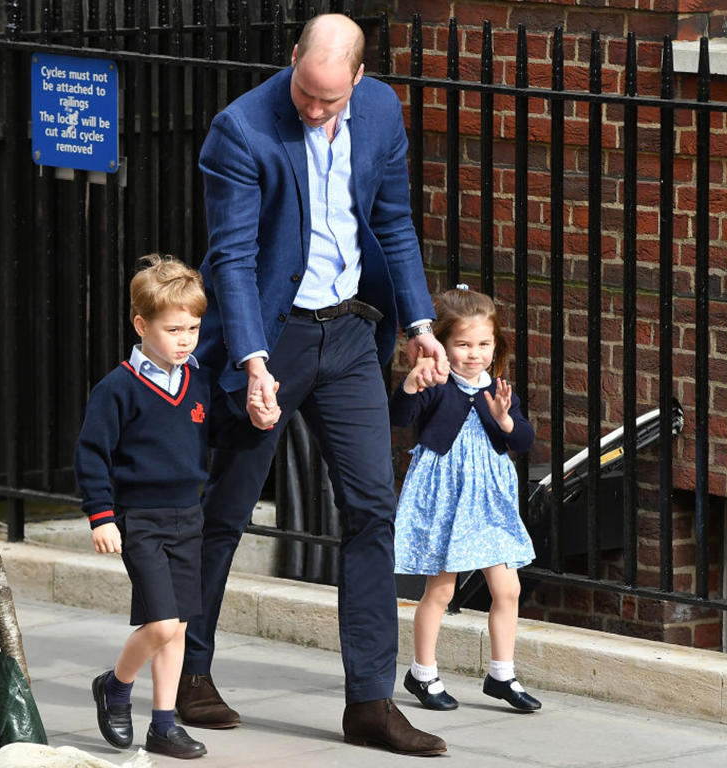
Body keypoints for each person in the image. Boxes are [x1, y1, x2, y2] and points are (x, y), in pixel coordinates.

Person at [182, 12, 448, 757]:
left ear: (357, 79)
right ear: (294, 60)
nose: (314, 109)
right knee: (227, 512)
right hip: (277, 338)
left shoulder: (382, 109)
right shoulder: (241, 131)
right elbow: (231, 259)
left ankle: (369, 701)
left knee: (373, 510)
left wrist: (419, 326)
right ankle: (187, 673)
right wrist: (252, 360)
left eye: (330, 100)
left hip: (353, 336)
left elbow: (393, 222)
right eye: (305, 92)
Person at [74, 255, 211, 759]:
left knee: (178, 626)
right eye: (173, 328)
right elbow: (91, 454)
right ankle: (115, 684)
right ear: (141, 324)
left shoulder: (198, 381)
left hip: (187, 516)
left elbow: (215, 435)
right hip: (142, 519)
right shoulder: (118, 389)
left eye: (193, 328)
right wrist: (102, 516)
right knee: (158, 624)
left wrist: (259, 417)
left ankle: (164, 723)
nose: (185, 339)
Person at [390, 286, 542, 714]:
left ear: (496, 345)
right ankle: (422, 673)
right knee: (440, 591)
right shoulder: (437, 383)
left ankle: (502, 674)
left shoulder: (497, 388)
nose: (474, 354)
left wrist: (506, 420)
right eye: (462, 344)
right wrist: (409, 383)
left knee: (507, 588)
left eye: (483, 344)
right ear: (443, 343)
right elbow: (399, 417)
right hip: (446, 497)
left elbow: (525, 439)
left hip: (489, 501)